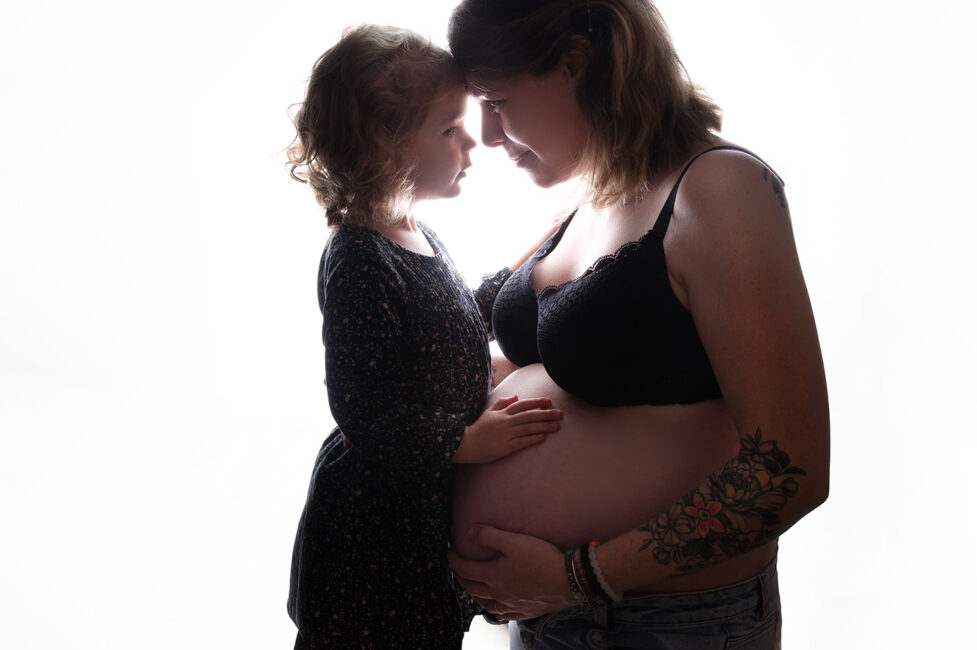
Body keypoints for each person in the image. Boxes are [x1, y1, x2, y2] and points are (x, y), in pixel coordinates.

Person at [445, 1, 830, 648]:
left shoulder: (718, 189)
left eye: (497, 98)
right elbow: (564, 364)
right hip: (550, 620)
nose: (484, 132)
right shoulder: (593, 193)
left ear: (574, 64)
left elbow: (790, 468)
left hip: (666, 626)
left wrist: (581, 575)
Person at [284, 24, 564, 649]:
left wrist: (538, 256)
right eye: (449, 128)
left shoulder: (415, 232)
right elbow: (365, 409)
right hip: (372, 541)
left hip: (416, 527)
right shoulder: (359, 258)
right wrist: (466, 441)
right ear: (385, 150)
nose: (473, 142)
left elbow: (458, 317)